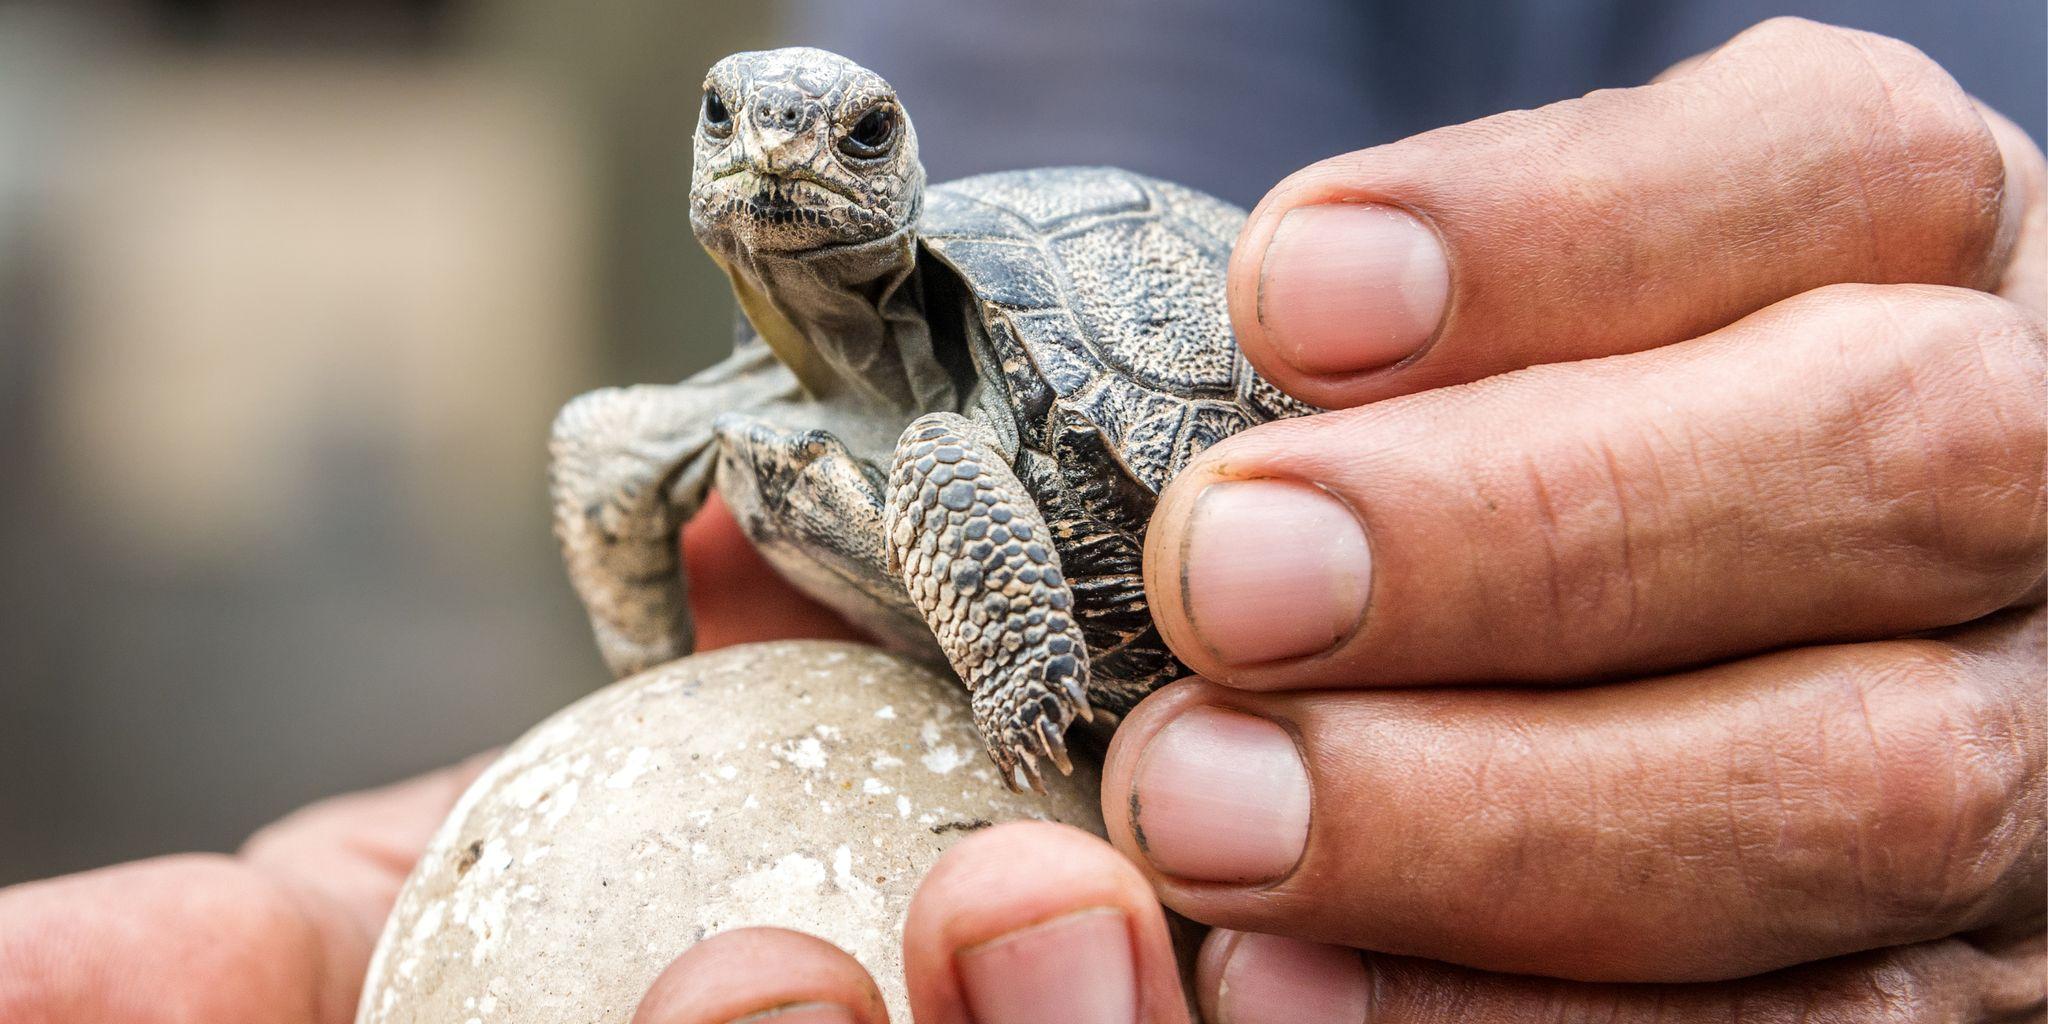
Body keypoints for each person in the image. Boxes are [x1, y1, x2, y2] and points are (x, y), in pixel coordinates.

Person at [2, 14, 2042, 1024]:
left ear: (897, 167)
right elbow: (1101, 48)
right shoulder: (701, 428)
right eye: (741, 126)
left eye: (850, 136)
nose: (788, 159)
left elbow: (977, 474)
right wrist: (647, 731)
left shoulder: (962, 428)